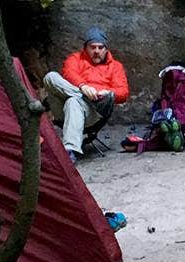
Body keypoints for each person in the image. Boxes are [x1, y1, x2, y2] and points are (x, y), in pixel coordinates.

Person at [43, 26, 130, 162]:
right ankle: (80, 96)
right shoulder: (75, 59)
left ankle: (69, 151)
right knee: (50, 77)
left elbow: (123, 93)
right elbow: (68, 73)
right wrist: (83, 87)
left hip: (93, 111)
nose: (96, 51)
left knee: (73, 102)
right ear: (86, 48)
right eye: (92, 47)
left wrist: (107, 92)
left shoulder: (115, 66)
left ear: (106, 49)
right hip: (65, 107)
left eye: (100, 48)